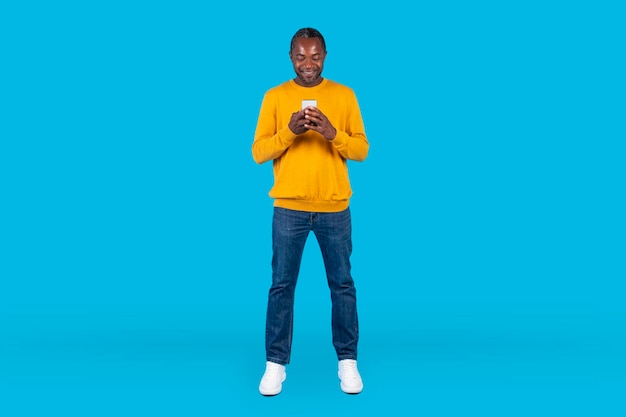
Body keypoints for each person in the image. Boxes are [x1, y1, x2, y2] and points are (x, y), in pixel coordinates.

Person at [252, 27, 369, 396]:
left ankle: (347, 361)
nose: (308, 63)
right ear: (290, 57)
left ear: (325, 55)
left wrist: (333, 134)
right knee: (282, 286)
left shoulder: (344, 95)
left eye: (315, 55)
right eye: (301, 56)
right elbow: (258, 153)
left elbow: (362, 150)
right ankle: (275, 364)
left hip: (335, 207)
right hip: (289, 208)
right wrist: (289, 132)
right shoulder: (274, 97)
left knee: (342, 285)